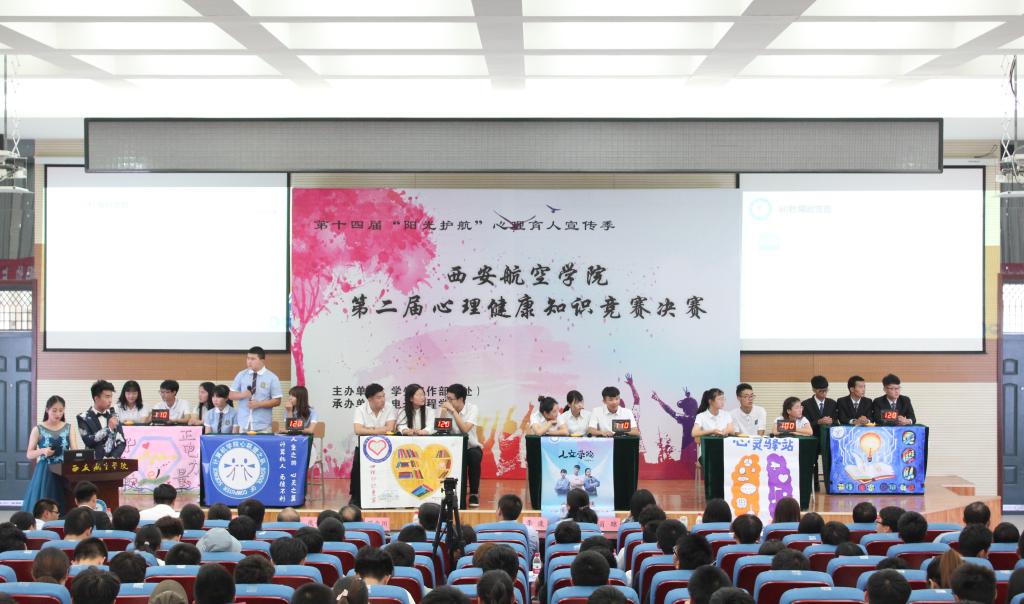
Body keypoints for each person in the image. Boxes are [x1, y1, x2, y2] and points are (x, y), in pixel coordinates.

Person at [21, 395, 75, 514]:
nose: (58, 414)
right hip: (46, 471)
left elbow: (75, 451)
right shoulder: (38, 429)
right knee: (46, 502)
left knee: (66, 501)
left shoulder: (69, 428)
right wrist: (43, 451)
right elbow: (29, 454)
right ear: (47, 410)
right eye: (54, 410)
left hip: (64, 469)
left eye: (61, 410)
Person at [350, 383, 397, 507]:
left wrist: (369, 429)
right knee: (357, 468)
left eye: (383, 396)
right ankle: (355, 498)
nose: (383, 400)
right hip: (363, 447)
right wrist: (380, 430)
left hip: (386, 447)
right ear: (370, 399)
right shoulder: (360, 409)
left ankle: (387, 498)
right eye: (379, 397)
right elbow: (358, 430)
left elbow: (390, 428)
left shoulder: (389, 408)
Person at [440, 383, 482, 506]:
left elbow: (465, 430)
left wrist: (453, 412)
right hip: (453, 447)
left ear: (461, 399)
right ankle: (448, 492)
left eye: (451, 399)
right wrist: (443, 412)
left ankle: (474, 494)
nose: (448, 402)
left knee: (474, 456)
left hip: (470, 447)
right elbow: (441, 430)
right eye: (447, 398)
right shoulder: (447, 409)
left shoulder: (472, 409)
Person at [229, 346, 283, 433]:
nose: (249, 361)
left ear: (262, 360)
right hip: (243, 423)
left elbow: (277, 401)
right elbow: (231, 395)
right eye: (248, 358)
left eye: (253, 359)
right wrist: (243, 394)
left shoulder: (272, 377)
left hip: (263, 425)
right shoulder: (241, 375)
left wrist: (259, 404)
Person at [78, 380, 126, 459]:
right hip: (92, 463)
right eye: (107, 397)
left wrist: (113, 457)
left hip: (111, 463)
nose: (110, 400)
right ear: (96, 398)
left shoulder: (114, 416)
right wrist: (108, 429)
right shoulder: (83, 417)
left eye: (111, 396)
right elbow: (88, 441)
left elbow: (122, 442)